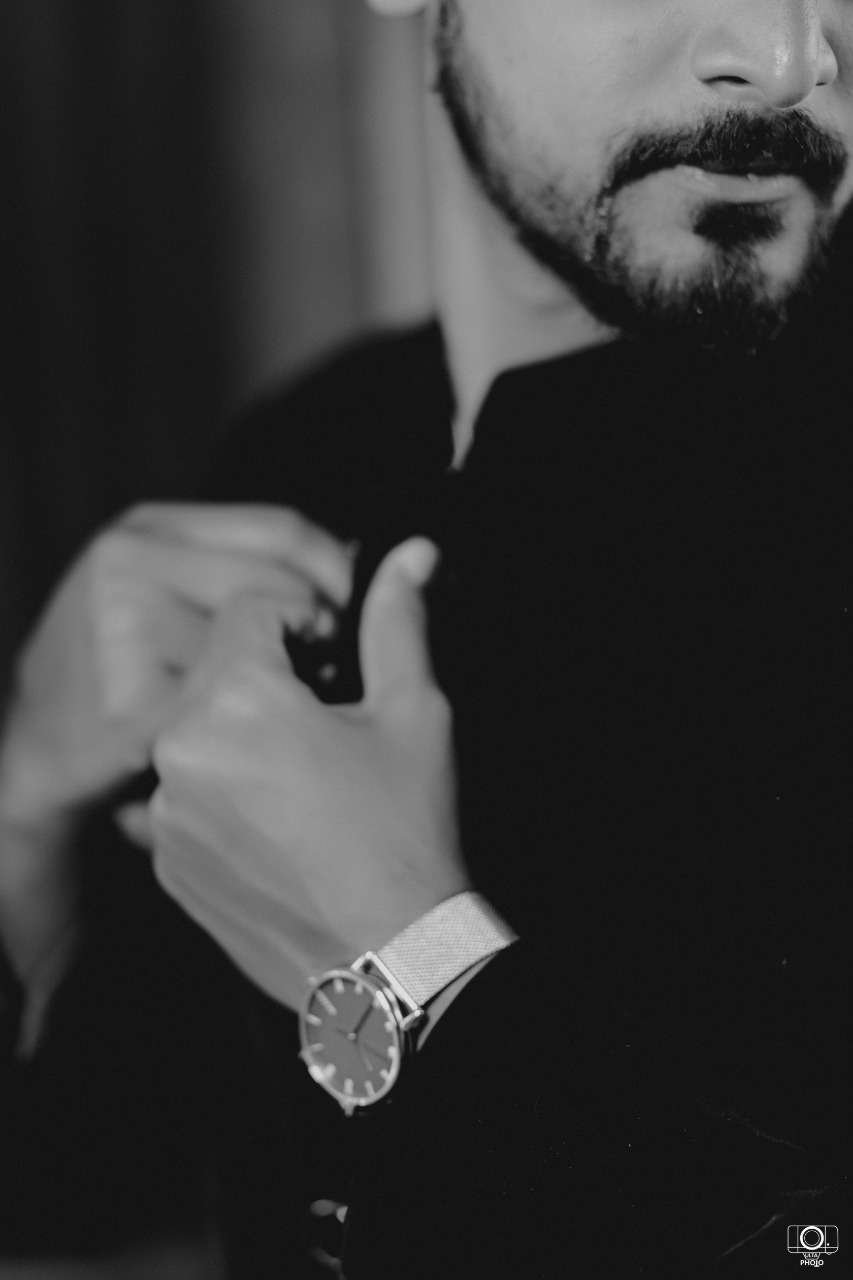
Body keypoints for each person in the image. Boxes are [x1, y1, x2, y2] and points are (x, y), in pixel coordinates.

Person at [1, 1, 850, 1275]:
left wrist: (410, 966)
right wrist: (26, 801)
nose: (791, 59)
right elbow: (90, 1188)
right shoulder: (307, 454)